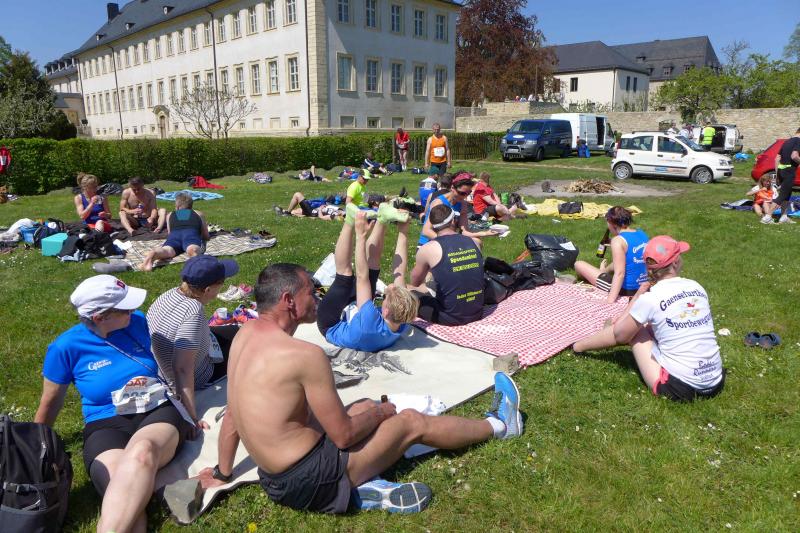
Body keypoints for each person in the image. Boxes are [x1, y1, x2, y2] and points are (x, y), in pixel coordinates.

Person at [203, 262, 521, 514]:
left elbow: (233, 415)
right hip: (312, 479)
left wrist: (222, 473)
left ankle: (362, 488)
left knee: (363, 405)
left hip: (274, 479)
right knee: (410, 421)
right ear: (289, 301)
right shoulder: (305, 355)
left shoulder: (244, 335)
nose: (317, 298)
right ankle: (500, 425)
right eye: (310, 292)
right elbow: (343, 436)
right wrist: (384, 412)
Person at [34, 275, 191, 533]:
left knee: (142, 453)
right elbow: (50, 404)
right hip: (104, 422)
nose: (134, 310)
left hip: (155, 410)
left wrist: (189, 411)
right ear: (100, 317)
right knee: (125, 492)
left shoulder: (137, 322)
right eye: (125, 308)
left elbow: (177, 360)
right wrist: (35, 449)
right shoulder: (65, 348)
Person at [573, 236, 725, 402]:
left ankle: (579, 346)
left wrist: (579, 346)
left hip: (680, 388)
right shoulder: (696, 287)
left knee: (635, 331)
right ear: (675, 263)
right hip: (716, 380)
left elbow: (621, 336)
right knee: (651, 324)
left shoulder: (651, 298)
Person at [147, 255, 240, 434]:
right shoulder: (192, 312)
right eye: (221, 284)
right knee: (245, 346)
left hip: (176, 359)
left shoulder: (170, 294)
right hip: (199, 373)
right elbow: (182, 369)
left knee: (238, 332)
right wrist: (190, 417)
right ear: (207, 289)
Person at [318, 205, 415, 351]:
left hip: (331, 324)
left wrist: (361, 235)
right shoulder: (401, 321)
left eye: (386, 296)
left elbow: (361, 277)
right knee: (373, 268)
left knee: (345, 276)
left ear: (386, 311)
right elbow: (399, 272)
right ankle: (383, 219)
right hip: (356, 317)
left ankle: (349, 220)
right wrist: (403, 232)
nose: (390, 287)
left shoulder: (370, 320)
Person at [411, 204, 486, 326]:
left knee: (405, 290)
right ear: (453, 220)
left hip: (450, 317)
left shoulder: (427, 249)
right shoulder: (474, 242)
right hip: (477, 311)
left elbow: (415, 282)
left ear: (433, 225)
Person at [574, 207, 649, 304]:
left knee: (579, 264)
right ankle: (603, 271)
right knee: (621, 261)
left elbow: (620, 274)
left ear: (612, 223)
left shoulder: (617, 241)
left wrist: (609, 301)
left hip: (627, 290)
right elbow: (629, 258)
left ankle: (600, 274)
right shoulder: (641, 234)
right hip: (644, 286)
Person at [418, 173, 498, 247]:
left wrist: (486, 233)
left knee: (477, 242)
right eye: (462, 193)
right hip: (430, 241)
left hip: (449, 239)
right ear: (452, 188)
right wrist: (450, 242)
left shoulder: (462, 204)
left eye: (468, 193)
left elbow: (464, 232)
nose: (465, 196)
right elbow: (426, 231)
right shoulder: (439, 203)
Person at [140, 191, 209, 272]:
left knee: (167, 250)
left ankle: (154, 253)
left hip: (174, 235)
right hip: (190, 233)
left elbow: (170, 233)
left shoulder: (170, 215)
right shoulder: (198, 213)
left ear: (177, 207)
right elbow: (206, 235)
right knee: (192, 247)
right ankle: (192, 251)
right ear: (191, 206)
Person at [773, 127, 800, 224]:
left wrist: (777, 174)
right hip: (789, 171)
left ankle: (784, 216)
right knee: (782, 195)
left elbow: (777, 158)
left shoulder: (787, 141)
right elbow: (794, 156)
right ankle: (767, 216)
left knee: (787, 194)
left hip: (781, 170)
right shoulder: (798, 141)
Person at [275, 192, 346, 220]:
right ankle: (284, 212)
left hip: (312, 212)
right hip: (314, 209)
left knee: (297, 195)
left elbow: (321, 217)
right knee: (297, 211)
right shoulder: (340, 209)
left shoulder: (335, 216)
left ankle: (287, 213)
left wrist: (320, 209)